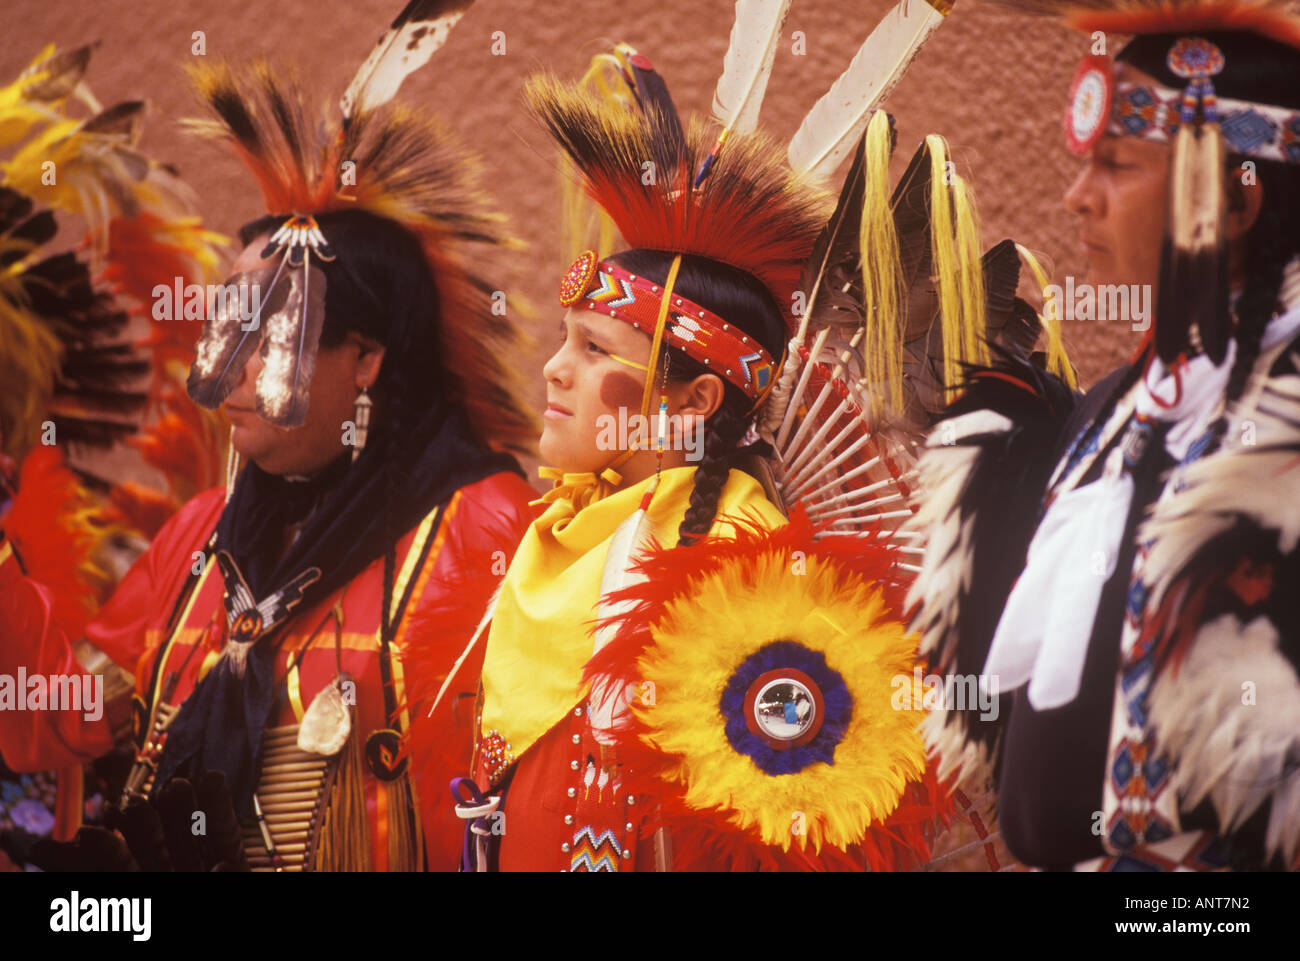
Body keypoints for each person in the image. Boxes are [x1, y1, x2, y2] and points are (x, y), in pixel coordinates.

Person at [440, 40, 988, 871]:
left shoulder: (743, 573)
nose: (554, 369)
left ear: (695, 401)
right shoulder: (556, 533)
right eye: (565, 339)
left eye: (594, 349)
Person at [0, 50, 539, 871]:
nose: (232, 371)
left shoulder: (487, 533)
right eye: (229, 330)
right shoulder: (200, 538)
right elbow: (65, 716)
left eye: (276, 338)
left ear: (366, 359)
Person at [908, 0, 1300, 871]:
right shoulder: (1116, 410)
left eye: (1117, 165)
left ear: (1237, 198)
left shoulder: (1286, 425)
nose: (1077, 196)